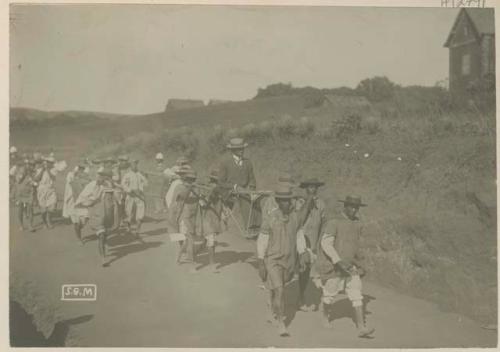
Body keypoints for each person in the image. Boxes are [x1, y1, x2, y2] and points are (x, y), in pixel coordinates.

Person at [312, 195, 374, 338]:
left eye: (356, 207)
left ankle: (361, 327)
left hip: (351, 265)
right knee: (329, 294)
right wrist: (337, 260)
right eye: (351, 206)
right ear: (345, 206)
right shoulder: (334, 222)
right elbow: (326, 243)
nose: (354, 209)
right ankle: (325, 317)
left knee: (356, 293)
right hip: (335, 266)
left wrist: (361, 261)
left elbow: (356, 245)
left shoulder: (357, 224)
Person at [256, 182, 313, 336]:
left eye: (289, 200)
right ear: (278, 201)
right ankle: (281, 323)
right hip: (273, 260)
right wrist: (261, 261)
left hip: (289, 260)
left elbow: (299, 234)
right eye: (283, 200)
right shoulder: (271, 218)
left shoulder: (295, 217)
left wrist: (302, 253)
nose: (287, 203)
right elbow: (262, 240)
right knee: (280, 290)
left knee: (277, 288)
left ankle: (270, 310)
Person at [218, 137, 261, 238]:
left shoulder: (247, 162)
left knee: (257, 199)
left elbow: (252, 178)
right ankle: (249, 228)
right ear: (232, 150)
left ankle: (257, 227)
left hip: (245, 190)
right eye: (238, 149)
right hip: (230, 190)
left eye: (242, 148)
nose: (241, 151)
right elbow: (220, 182)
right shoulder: (225, 163)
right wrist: (235, 186)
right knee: (245, 199)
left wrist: (252, 188)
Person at [297, 177, 327, 312]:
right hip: (300, 240)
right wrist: (308, 202)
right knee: (295, 268)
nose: (313, 189)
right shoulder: (300, 202)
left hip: (313, 241)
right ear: (305, 188)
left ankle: (300, 296)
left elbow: (323, 224)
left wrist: (319, 242)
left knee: (305, 270)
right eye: (310, 187)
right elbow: (299, 220)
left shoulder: (321, 204)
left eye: (315, 187)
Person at [74, 168, 115, 266]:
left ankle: (103, 254)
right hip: (90, 209)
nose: (102, 178)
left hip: (103, 212)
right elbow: (85, 198)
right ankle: (79, 237)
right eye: (100, 176)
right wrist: (88, 204)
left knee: (103, 234)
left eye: (104, 176)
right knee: (83, 225)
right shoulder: (92, 185)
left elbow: (111, 197)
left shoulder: (107, 185)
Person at [167, 165, 199, 269]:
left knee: (189, 239)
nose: (191, 181)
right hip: (183, 216)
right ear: (185, 179)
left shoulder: (196, 188)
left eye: (192, 179)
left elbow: (198, 199)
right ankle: (191, 262)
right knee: (188, 239)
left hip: (192, 216)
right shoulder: (180, 187)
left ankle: (179, 258)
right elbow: (175, 201)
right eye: (189, 179)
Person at [198, 168, 228, 273]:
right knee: (211, 240)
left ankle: (200, 249)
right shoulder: (211, 189)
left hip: (213, 218)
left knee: (210, 239)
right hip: (209, 218)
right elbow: (204, 203)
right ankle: (212, 264)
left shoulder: (217, 190)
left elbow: (221, 203)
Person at [65, 164, 92, 243]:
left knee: (85, 220)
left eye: (82, 169)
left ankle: (79, 228)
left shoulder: (86, 180)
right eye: (79, 169)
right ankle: (79, 238)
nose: (81, 171)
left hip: (84, 204)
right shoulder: (72, 180)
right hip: (74, 204)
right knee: (76, 223)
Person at [121, 159, 148, 236]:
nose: (135, 166)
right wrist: (129, 190)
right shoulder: (127, 175)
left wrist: (145, 178)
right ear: (130, 166)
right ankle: (128, 228)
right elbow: (123, 184)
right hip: (131, 195)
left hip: (139, 196)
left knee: (140, 213)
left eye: (136, 164)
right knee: (128, 211)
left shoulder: (139, 174)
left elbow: (146, 184)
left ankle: (137, 231)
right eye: (133, 164)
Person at [34, 156, 58, 229]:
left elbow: (53, 178)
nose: (48, 164)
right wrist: (42, 170)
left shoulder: (54, 170)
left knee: (52, 207)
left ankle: (49, 221)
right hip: (41, 190)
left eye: (50, 163)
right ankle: (45, 222)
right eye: (48, 162)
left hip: (51, 190)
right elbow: (36, 179)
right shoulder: (39, 169)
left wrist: (47, 170)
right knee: (43, 210)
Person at [14, 160, 36, 232]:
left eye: (29, 164)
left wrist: (34, 182)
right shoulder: (19, 171)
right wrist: (22, 174)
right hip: (20, 194)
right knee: (20, 210)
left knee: (30, 210)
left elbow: (33, 182)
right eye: (26, 164)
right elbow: (18, 180)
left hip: (29, 194)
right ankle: (21, 225)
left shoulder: (31, 172)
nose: (28, 165)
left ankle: (30, 225)